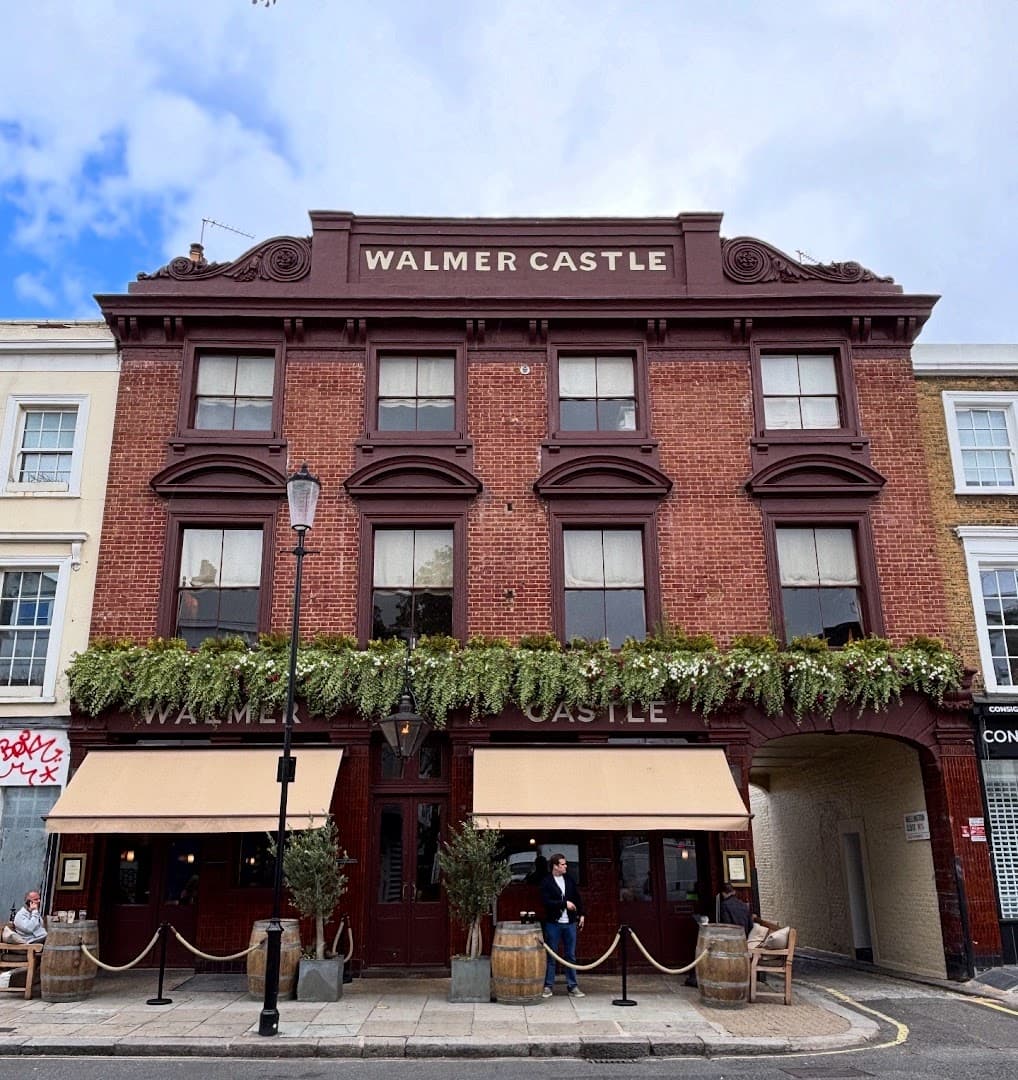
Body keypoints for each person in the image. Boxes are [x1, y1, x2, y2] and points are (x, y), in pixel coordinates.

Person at [539, 853, 585, 998]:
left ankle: (573, 986)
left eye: (565, 864)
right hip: (554, 923)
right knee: (551, 955)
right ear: (555, 866)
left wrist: (581, 914)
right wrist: (564, 903)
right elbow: (546, 902)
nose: (566, 866)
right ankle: (548, 986)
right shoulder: (546, 882)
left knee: (570, 955)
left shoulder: (569, 880)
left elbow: (577, 897)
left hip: (570, 923)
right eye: (563, 864)